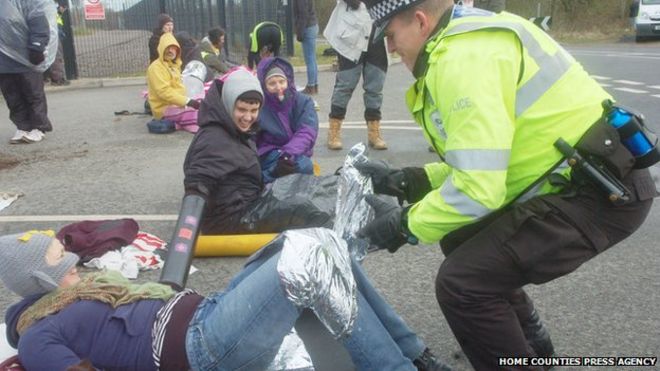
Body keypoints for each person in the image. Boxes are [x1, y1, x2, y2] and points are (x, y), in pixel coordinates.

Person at [357, 0, 656, 369]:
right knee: (459, 235)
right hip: (589, 176)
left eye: (390, 36)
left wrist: (404, 225)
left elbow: (479, 189)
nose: (390, 48)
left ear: (420, 21)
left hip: (599, 192)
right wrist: (412, 181)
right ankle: (533, 348)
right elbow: (494, 161)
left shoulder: (461, 60)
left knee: (462, 284)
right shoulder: (474, 33)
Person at [0, 229, 453, 370]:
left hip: (209, 312)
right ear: (38, 277)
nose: (76, 263)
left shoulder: (80, 295)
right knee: (306, 260)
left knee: (315, 240)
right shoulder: (39, 335)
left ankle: (416, 354)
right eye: (64, 261)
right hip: (202, 350)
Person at [184, 67, 332, 235]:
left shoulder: (236, 130)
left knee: (313, 188)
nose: (248, 117)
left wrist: (277, 172)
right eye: (241, 109)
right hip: (233, 218)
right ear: (228, 103)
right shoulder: (214, 138)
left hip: (247, 203)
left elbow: (248, 180)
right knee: (311, 208)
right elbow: (197, 186)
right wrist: (185, 235)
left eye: (253, 111)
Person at [324, 0, 388, 151]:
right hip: (351, 34)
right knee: (345, 85)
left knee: (375, 87)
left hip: (377, 35)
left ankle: (374, 133)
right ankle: (334, 131)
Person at [0, 0, 55, 144]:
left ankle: (39, 127)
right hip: (4, 60)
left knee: (32, 93)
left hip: (26, 57)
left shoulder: (26, 2)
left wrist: (37, 46)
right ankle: (23, 126)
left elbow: (39, 23)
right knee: (12, 95)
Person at [256, 57, 318, 184]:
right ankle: (267, 179)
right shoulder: (260, 105)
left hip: (295, 153)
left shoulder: (303, 101)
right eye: (272, 83)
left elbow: (307, 131)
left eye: (281, 81)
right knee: (301, 167)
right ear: (264, 86)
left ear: (288, 81)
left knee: (302, 166)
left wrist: (288, 154)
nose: (278, 87)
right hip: (269, 152)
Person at [146, 32, 200, 122]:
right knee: (201, 117)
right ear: (161, 49)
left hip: (177, 105)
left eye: (173, 48)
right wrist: (188, 101)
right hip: (164, 110)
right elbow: (164, 92)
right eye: (167, 48)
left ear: (177, 50)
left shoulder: (174, 65)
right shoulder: (156, 67)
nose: (170, 51)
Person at [293, 0, 320, 95]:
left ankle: (311, 86)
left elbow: (303, 14)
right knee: (312, 58)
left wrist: (300, 32)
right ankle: (315, 85)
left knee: (309, 59)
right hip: (312, 25)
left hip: (307, 27)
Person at [44, 0, 70, 86]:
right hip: (53, 33)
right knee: (56, 56)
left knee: (51, 55)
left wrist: (59, 11)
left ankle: (50, 78)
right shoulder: (49, 5)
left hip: (52, 32)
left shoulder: (48, 5)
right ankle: (58, 79)